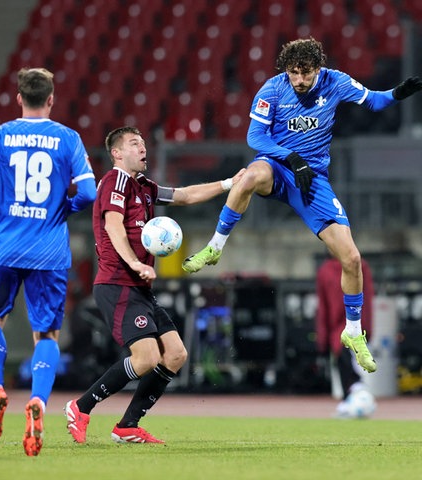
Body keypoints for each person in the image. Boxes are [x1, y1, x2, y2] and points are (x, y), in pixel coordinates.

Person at [182, 37, 422, 373]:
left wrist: (399, 93)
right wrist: (291, 158)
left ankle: (353, 332)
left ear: (317, 68)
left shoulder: (335, 81)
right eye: (293, 73)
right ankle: (215, 246)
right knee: (249, 177)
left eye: (305, 73)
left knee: (352, 259)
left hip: (313, 180)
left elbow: (374, 102)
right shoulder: (272, 89)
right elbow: (256, 138)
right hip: (278, 167)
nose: (299, 80)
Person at [64, 126, 245, 444]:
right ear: (117, 153)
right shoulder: (115, 181)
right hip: (117, 283)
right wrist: (134, 262)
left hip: (139, 288)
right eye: (135, 144)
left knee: (175, 354)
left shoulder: (144, 187)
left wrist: (230, 183)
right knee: (146, 357)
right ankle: (80, 407)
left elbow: (185, 195)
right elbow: (113, 225)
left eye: (144, 143)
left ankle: (127, 426)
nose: (143, 148)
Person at [0, 67, 97, 456]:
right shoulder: (68, 138)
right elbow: (88, 191)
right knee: (47, 335)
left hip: (2, 247)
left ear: (18, 98)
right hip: (49, 251)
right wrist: (63, 209)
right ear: (51, 98)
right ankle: (37, 400)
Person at [316, 254, 376, 417]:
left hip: (353, 323)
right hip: (339, 325)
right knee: (343, 359)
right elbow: (323, 305)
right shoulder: (325, 270)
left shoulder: (360, 265)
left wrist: (367, 328)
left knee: (348, 360)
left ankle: (353, 394)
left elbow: (368, 297)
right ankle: (351, 395)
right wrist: (323, 336)